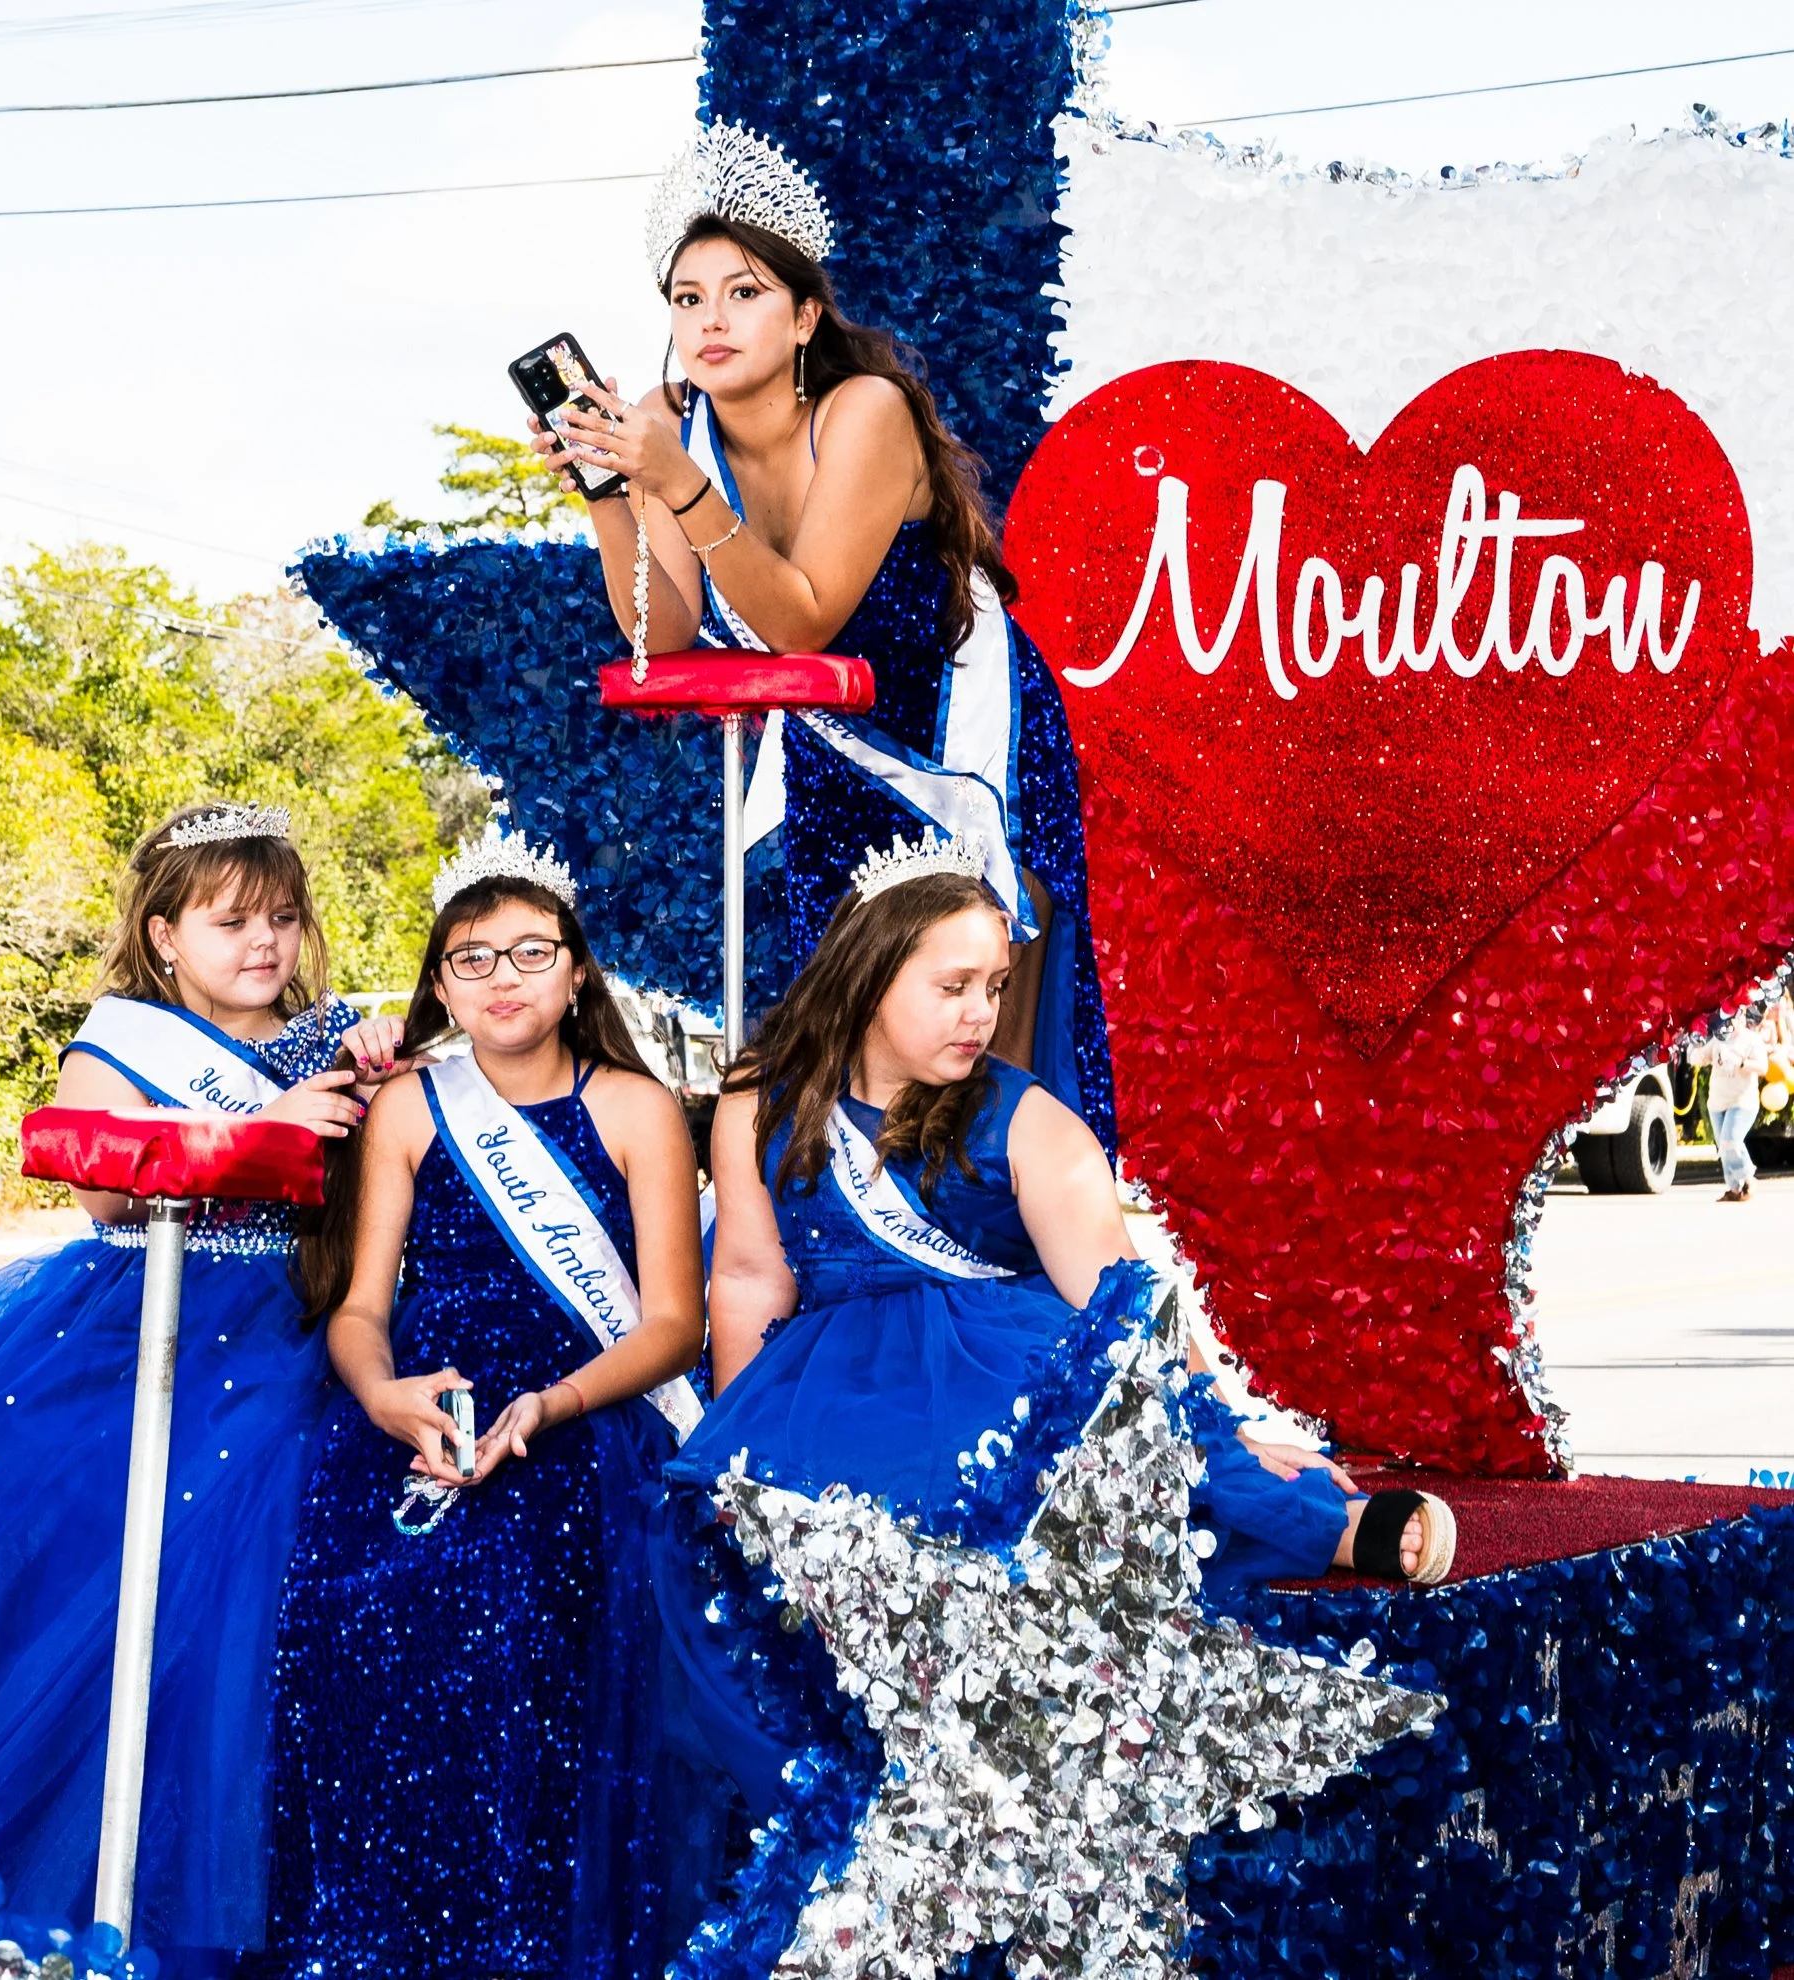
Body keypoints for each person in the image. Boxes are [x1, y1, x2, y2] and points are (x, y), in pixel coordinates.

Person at [650, 831, 1455, 1892]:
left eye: (992, 985)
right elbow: (750, 1280)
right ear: (869, 973)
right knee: (710, 1557)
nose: (980, 1013)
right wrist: (733, 1443)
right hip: (821, 1378)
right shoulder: (759, 1105)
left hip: (993, 1360)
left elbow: (1123, 1303)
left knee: (1100, 1450)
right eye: (952, 986)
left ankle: (1338, 1522)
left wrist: (1218, 1409)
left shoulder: (1020, 1114)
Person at [0, 802, 408, 1974]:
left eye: (280, 917)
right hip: (136, 1322)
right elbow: (106, 1192)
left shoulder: (336, 1035)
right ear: (166, 935)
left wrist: (381, 1059)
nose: (261, 943)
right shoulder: (119, 1038)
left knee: (274, 1554)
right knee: (77, 1551)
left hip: (291, 1321)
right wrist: (258, 1126)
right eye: (230, 921)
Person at [531, 121, 1117, 1154]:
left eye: (745, 293)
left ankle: (1012, 1278)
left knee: (974, 1028)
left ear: (804, 316)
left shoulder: (866, 409)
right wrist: (612, 491)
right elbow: (660, 637)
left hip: (957, 749)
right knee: (851, 1036)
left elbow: (805, 613)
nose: (711, 319)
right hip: (828, 751)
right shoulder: (677, 425)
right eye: (688, 298)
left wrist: (677, 481)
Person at [247, 832, 712, 1980]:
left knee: (530, 1621)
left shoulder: (638, 1107)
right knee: (352, 1619)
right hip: (425, 1416)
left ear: (577, 971)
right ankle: (388, 1936)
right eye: (471, 960)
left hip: (580, 1415)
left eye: (529, 953)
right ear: (440, 982)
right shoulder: (412, 1106)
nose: (503, 979)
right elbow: (359, 1309)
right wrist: (381, 1392)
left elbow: (671, 1326)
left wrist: (549, 1408)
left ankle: (528, 1934)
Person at [1688, 1003, 1778, 1201]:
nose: (1730, 1022)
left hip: (1742, 1101)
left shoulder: (1751, 1040)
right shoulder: (1720, 1039)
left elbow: (1763, 1067)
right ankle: (1735, 1188)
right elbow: (1703, 1057)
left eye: (1735, 1017)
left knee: (1731, 1141)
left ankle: (1747, 1176)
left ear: (1742, 1017)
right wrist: (1697, 1053)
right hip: (1718, 1101)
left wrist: (1742, 1063)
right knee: (1724, 1146)